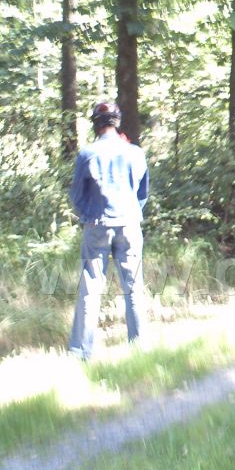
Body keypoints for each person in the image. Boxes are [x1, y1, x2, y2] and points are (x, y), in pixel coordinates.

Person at [67, 101, 150, 360]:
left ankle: (81, 352)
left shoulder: (87, 154)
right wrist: (131, 213)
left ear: (95, 124)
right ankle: (139, 350)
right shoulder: (135, 153)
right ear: (118, 121)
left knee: (90, 289)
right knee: (133, 286)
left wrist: (89, 215)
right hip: (129, 224)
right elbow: (142, 193)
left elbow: (76, 195)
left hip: (97, 225)